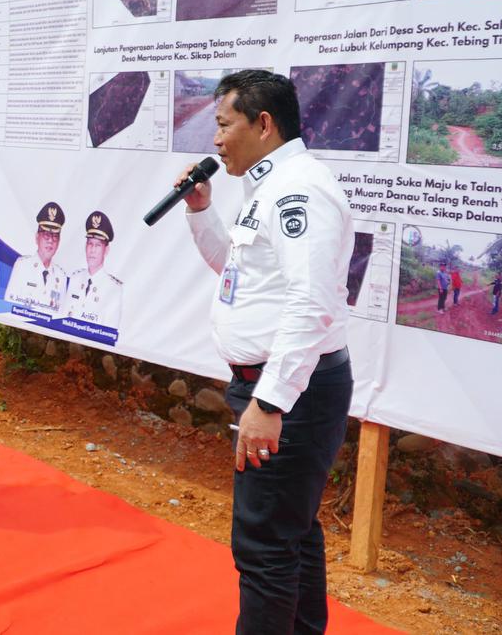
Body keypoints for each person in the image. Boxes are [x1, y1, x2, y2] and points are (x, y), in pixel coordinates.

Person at [178, 69, 354, 633]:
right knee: (290, 532)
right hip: (279, 385)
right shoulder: (268, 185)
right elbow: (238, 274)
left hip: (291, 391)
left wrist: (271, 401)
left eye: (223, 125)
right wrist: (201, 210)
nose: (215, 140)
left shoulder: (299, 189)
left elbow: (312, 301)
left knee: (265, 545)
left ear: (263, 124)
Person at [5, 202, 69, 312]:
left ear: (59, 242)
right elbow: (7, 306)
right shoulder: (22, 266)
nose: (50, 241)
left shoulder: (61, 276)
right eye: (46, 235)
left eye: (55, 236)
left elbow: (60, 315)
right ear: (37, 237)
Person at [64, 211, 123, 328]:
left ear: (106, 250)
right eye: (90, 244)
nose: (92, 250)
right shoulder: (74, 279)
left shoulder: (113, 289)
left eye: (98, 245)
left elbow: (109, 331)